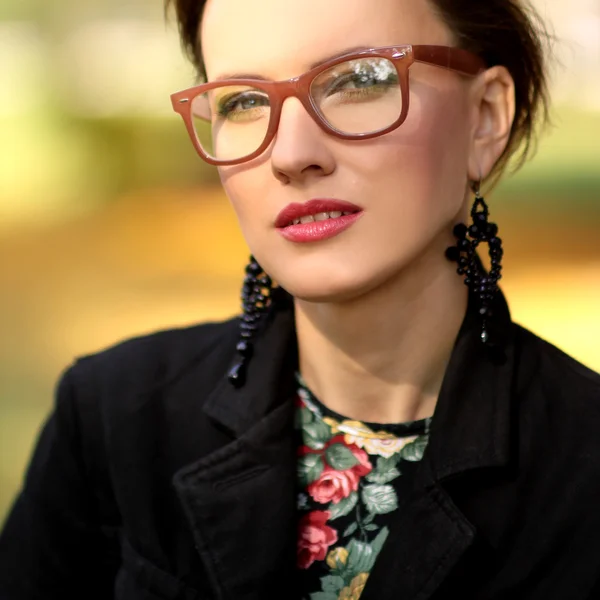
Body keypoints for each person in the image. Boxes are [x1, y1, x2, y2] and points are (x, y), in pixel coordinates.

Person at [1, 0, 599, 598]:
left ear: (485, 117)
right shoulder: (114, 418)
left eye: (358, 81)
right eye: (243, 101)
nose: (290, 154)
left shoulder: (582, 464)